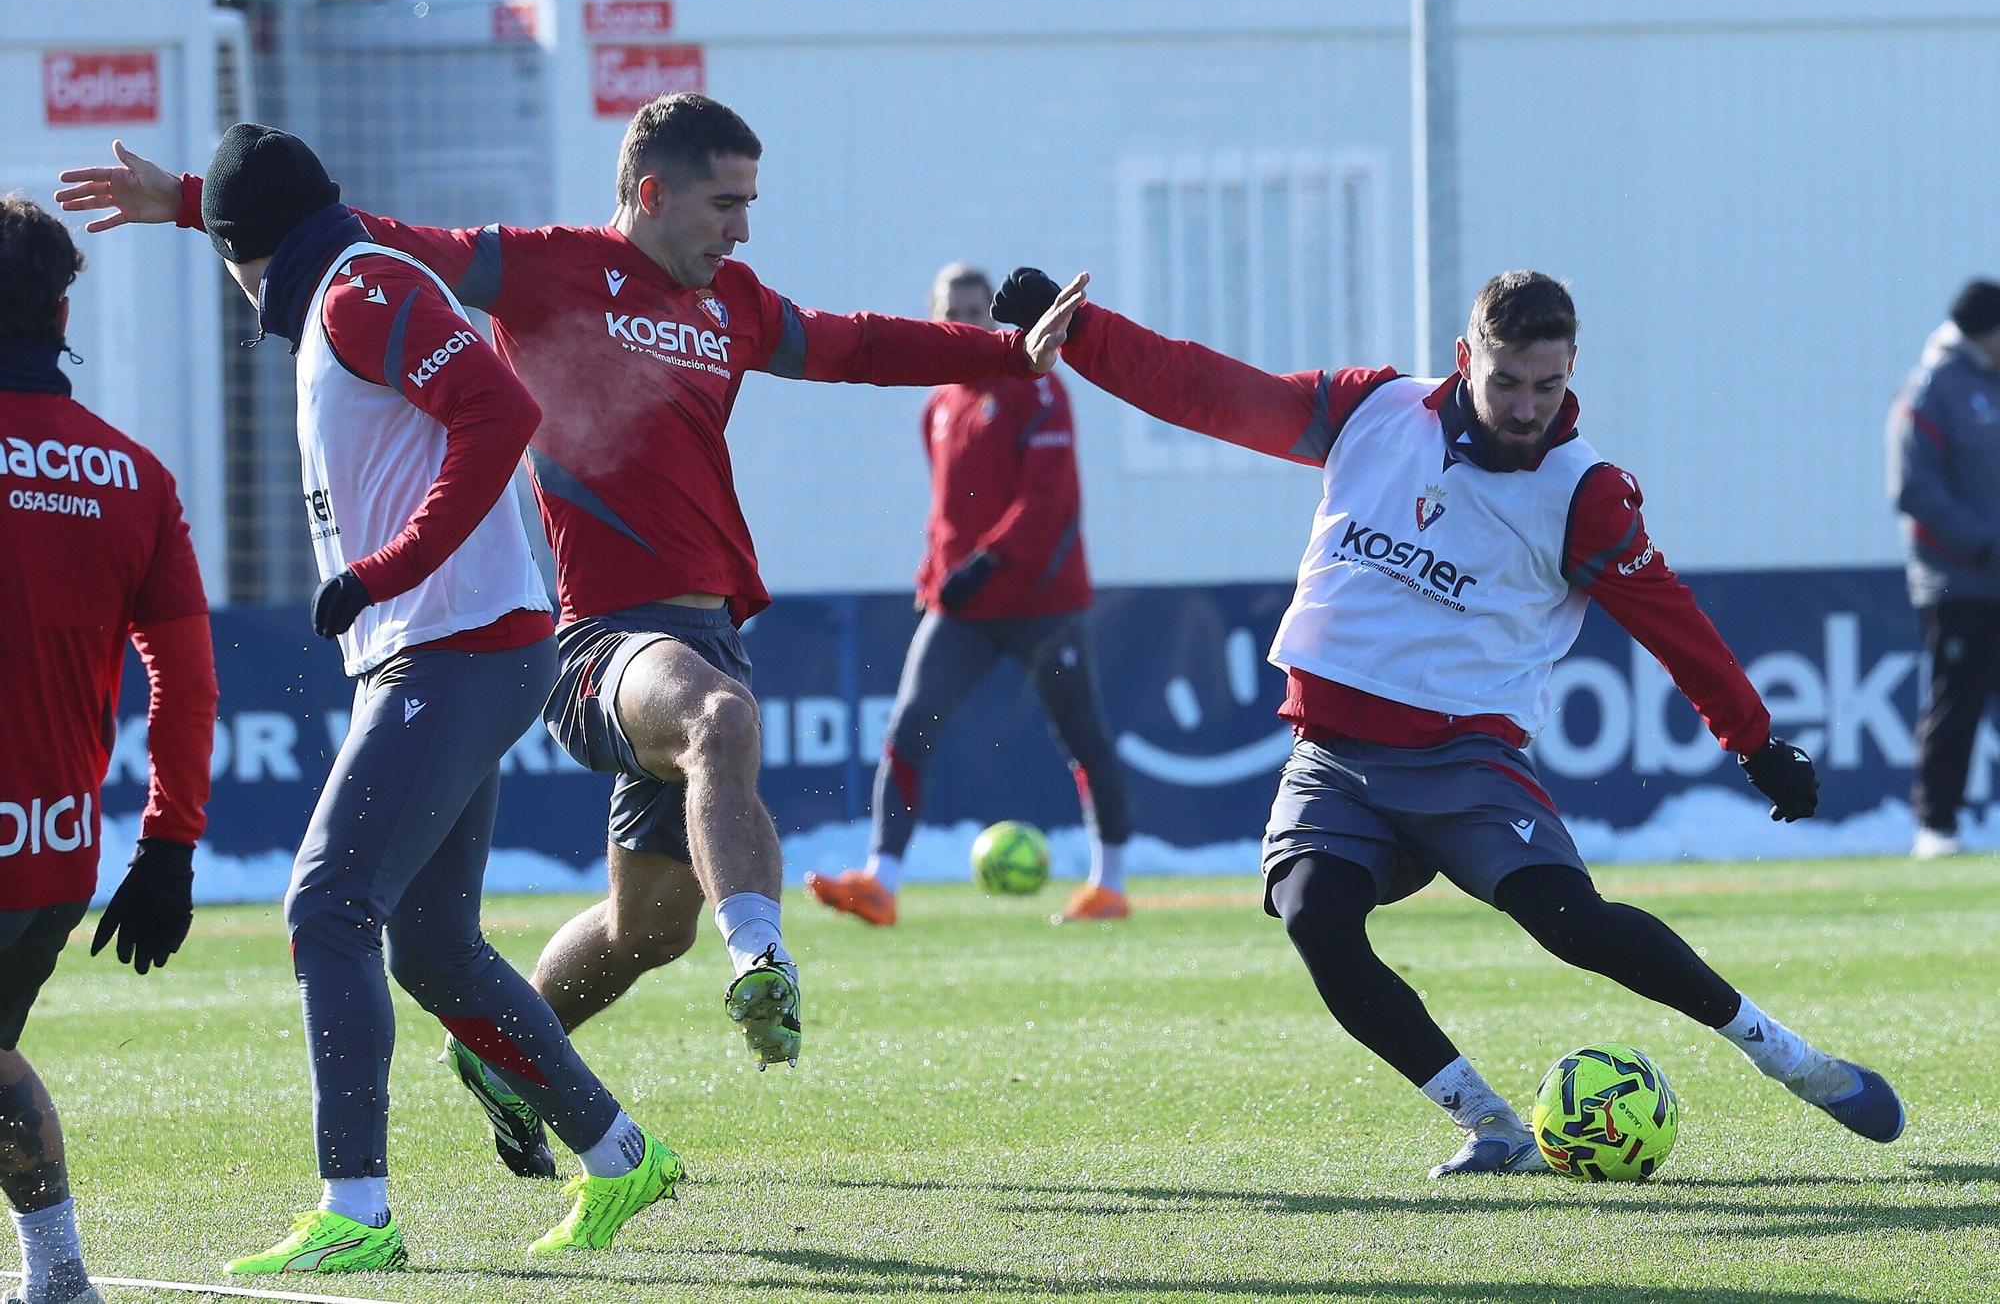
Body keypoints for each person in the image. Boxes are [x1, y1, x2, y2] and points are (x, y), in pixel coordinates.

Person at [58, 94, 1080, 1171]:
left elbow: (853, 344)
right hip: (598, 639)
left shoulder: (729, 299)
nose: (742, 229)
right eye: (724, 204)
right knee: (720, 721)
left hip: (703, 629)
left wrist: (1007, 353)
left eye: (749, 205)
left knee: (647, 927)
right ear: (651, 193)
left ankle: (501, 1056)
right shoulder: (543, 268)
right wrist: (192, 203)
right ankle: (762, 957)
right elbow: (364, 236)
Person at [989, 265, 1905, 1176]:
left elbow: (1672, 621)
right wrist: (1084, 333)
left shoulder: (1585, 494)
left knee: (1571, 926)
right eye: (1506, 381)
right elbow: (1209, 393)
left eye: (1548, 385)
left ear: (1572, 371)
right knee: (1315, 920)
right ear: (1465, 358)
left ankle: (1789, 1058)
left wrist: (1754, 742)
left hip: (1464, 759)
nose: (1524, 407)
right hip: (1334, 758)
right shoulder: (1371, 412)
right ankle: (1491, 1124)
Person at [88, 125, 684, 1271]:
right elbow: (276, 224)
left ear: (241, 251)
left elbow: (501, 412)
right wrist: (189, 204)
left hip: (454, 642)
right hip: (455, 644)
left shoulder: (356, 288)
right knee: (435, 948)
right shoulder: (347, 275)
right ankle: (620, 1154)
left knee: (325, 904)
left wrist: (385, 567)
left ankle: (356, 1211)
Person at [0, 193, 218, 1304]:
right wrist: (171, 843)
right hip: (52, 855)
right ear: (62, 305)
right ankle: (58, 1274)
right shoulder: (133, 476)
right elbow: (186, 680)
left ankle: (61, 1274)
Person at [805, 263, 1134, 926]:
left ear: (996, 316)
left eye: (978, 310)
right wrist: (936, 575)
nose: (966, 323)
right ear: (932, 320)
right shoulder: (939, 402)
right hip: (961, 606)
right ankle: (882, 882)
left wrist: (987, 563)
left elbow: (1048, 502)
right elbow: (948, 510)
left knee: (1083, 737)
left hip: (1042, 602)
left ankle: (1111, 885)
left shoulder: (1037, 386)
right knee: (907, 730)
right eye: (953, 312)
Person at [1887, 279, 2000, 860]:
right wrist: (1982, 545)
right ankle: (1937, 826)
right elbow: (1913, 492)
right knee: (1957, 703)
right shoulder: (1933, 388)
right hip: (1958, 583)